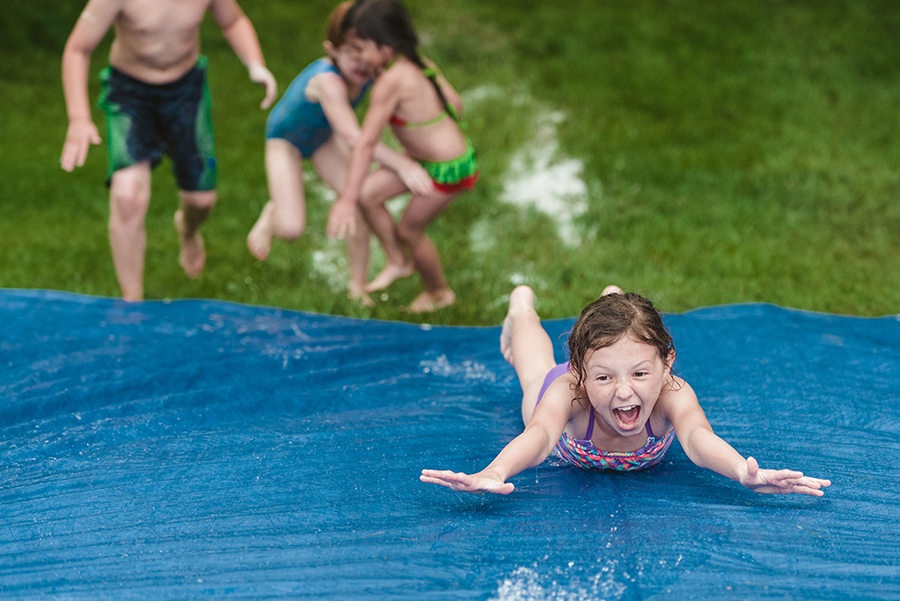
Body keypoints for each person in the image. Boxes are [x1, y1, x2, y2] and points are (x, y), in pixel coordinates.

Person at [421, 285, 833, 496]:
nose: (623, 393)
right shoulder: (569, 390)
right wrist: (495, 472)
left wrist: (742, 471)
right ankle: (522, 307)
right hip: (562, 395)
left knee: (620, 333)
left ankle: (612, 302)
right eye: (605, 379)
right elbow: (540, 436)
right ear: (581, 372)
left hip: (604, 360)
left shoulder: (671, 392)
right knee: (533, 372)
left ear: (666, 363)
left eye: (640, 374)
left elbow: (697, 438)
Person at [60, 0, 278, 301]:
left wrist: (255, 64)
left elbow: (233, 21)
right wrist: (78, 118)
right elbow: (78, 48)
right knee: (127, 196)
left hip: (185, 92)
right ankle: (131, 302)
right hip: (131, 94)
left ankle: (187, 230)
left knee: (201, 201)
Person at [246, 1, 433, 305]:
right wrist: (402, 163)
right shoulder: (328, 81)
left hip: (323, 137)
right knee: (291, 228)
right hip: (286, 141)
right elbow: (353, 136)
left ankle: (356, 285)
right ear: (332, 50)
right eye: (352, 54)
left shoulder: (369, 72)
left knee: (354, 202)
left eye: (366, 54)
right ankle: (273, 211)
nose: (361, 63)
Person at [327, 0, 479, 313]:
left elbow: (365, 143)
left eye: (360, 48)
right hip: (427, 158)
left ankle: (439, 293)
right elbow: (455, 103)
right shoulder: (416, 61)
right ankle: (398, 261)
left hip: (448, 169)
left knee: (410, 229)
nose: (357, 57)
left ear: (385, 44)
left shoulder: (391, 82)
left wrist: (345, 199)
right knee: (368, 194)